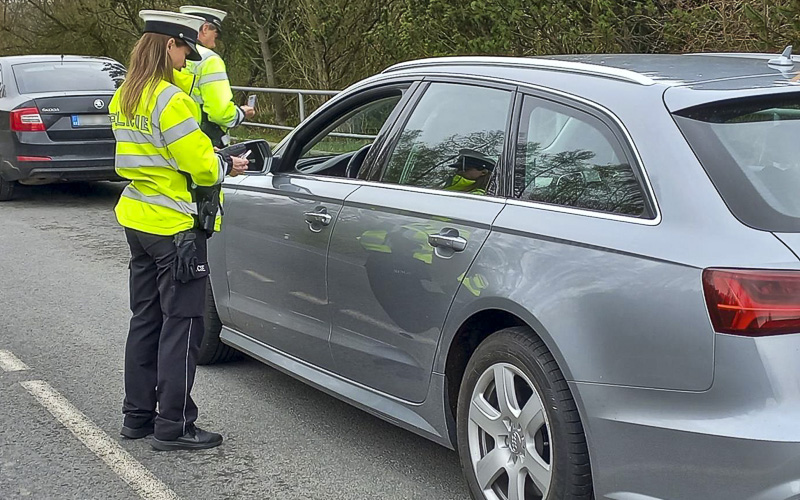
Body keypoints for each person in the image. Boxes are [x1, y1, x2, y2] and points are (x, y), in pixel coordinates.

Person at [110, 9, 249, 451]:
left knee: (146, 320)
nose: (188, 58)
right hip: (176, 228)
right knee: (184, 325)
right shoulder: (171, 101)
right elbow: (202, 168)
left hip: (138, 220)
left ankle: (137, 417)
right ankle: (174, 425)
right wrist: (228, 162)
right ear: (167, 45)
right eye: (184, 49)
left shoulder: (125, 96)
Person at [175, 5, 255, 147]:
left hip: (172, 134)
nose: (217, 37)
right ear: (205, 28)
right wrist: (241, 113)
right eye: (216, 31)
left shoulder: (168, 54)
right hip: (203, 140)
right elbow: (220, 113)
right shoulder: (210, 60)